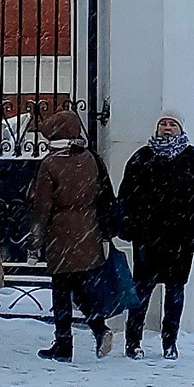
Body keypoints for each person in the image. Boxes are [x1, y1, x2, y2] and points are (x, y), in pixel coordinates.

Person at [115, 112, 194, 357]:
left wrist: (186, 184)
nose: (167, 127)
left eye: (172, 124)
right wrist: (131, 221)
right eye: (162, 123)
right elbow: (126, 193)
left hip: (180, 236)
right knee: (141, 290)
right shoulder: (142, 157)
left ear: (180, 129)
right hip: (148, 235)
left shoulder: (193, 157)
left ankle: (170, 343)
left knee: (175, 290)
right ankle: (133, 342)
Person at [30, 103, 117, 360]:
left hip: (61, 231)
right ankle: (99, 328)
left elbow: (42, 206)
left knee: (60, 290)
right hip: (88, 230)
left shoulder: (50, 164)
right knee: (80, 287)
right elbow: (102, 193)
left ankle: (64, 345)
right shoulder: (90, 158)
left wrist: (35, 237)